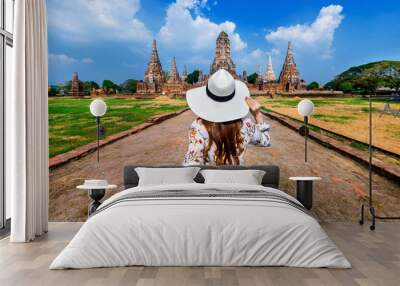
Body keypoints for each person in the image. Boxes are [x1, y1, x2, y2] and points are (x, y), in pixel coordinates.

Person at [183, 69, 270, 166]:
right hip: (237, 178)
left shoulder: (198, 126)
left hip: (209, 179)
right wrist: (258, 115)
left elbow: (191, 163)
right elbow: (265, 141)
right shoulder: (246, 124)